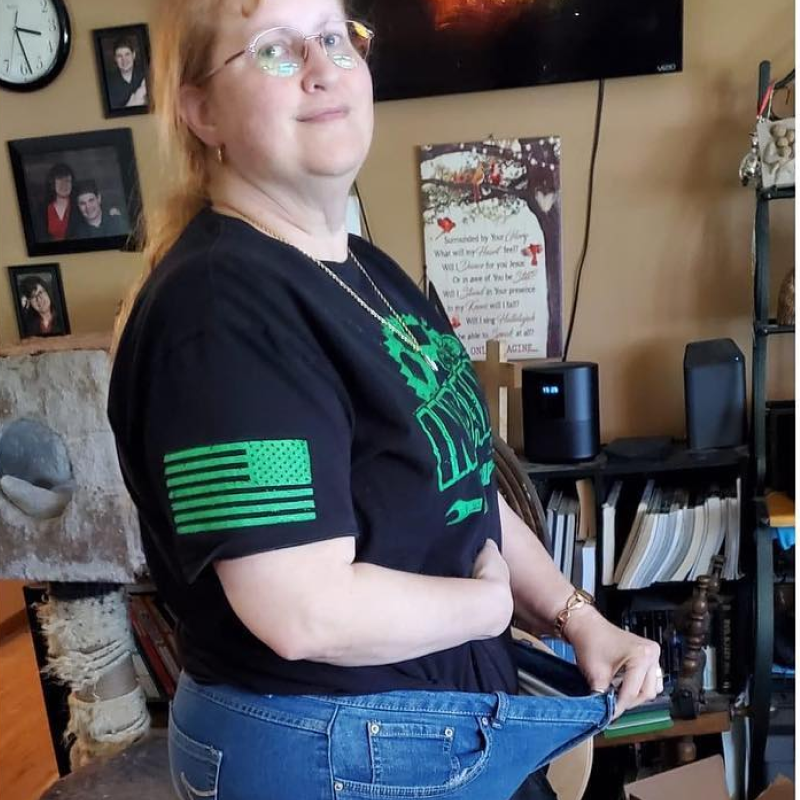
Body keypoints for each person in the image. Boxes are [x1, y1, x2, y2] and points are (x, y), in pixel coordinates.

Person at [107, 2, 662, 798]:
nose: (321, 64)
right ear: (201, 111)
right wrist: (487, 607)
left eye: (335, 37)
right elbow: (304, 612)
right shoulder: (219, 311)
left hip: (433, 726)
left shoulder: (366, 270)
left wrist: (580, 618)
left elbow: (460, 486)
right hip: (331, 755)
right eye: (273, 49)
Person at [106, 35, 148, 108]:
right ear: (115, 59)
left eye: (127, 54)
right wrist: (137, 97)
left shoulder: (145, 74)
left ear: (133, 55)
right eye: (119, 56)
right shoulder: (108, 83)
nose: (124, 60)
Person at [42, 163, 80, 241]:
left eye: (67, 181)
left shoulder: (79, 206)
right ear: (52, 184)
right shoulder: (42, 209)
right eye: (60, 181)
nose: (64, 185)